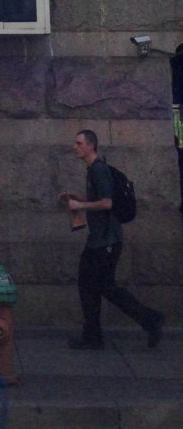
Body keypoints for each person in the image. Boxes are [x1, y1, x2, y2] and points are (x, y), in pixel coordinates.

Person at [59, 129, 164, 350]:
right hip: (100, 240)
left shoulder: (98, 170)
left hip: (106, 241)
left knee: (103, 287)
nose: (75, 147)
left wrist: (80, 206)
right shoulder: (93, 170)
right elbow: (99, 201)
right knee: (90, 285)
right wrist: (79, 199)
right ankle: (93, 336)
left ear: (90, 146)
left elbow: (107, 203)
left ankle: (149, 319)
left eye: (79, 143)